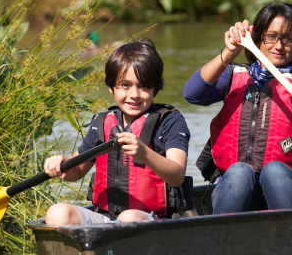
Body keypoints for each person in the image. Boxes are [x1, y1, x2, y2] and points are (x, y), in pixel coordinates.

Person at [183, 0, 292, 214]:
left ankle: (289, 235)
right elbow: (192, 94)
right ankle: (222, 237)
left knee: (274, 171)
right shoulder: (233, 77)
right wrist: (229, 53)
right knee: (239, 173)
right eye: (271, 36)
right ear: (258, 39)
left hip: (291, 196)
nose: (279, 46)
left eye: (288, 39)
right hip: (237, 194)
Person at [44, 39, 191, 225]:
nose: (134, 94)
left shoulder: (170, 121)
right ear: (111, 87)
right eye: (125, 85)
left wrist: (143, 153)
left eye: (144, 86)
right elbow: (77, 171)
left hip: (153, 219)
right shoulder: (102, 123)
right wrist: (62, 164)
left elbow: (177, 176)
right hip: (106, 218)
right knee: (57, 212)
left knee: (128, 217)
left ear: (155, 87)